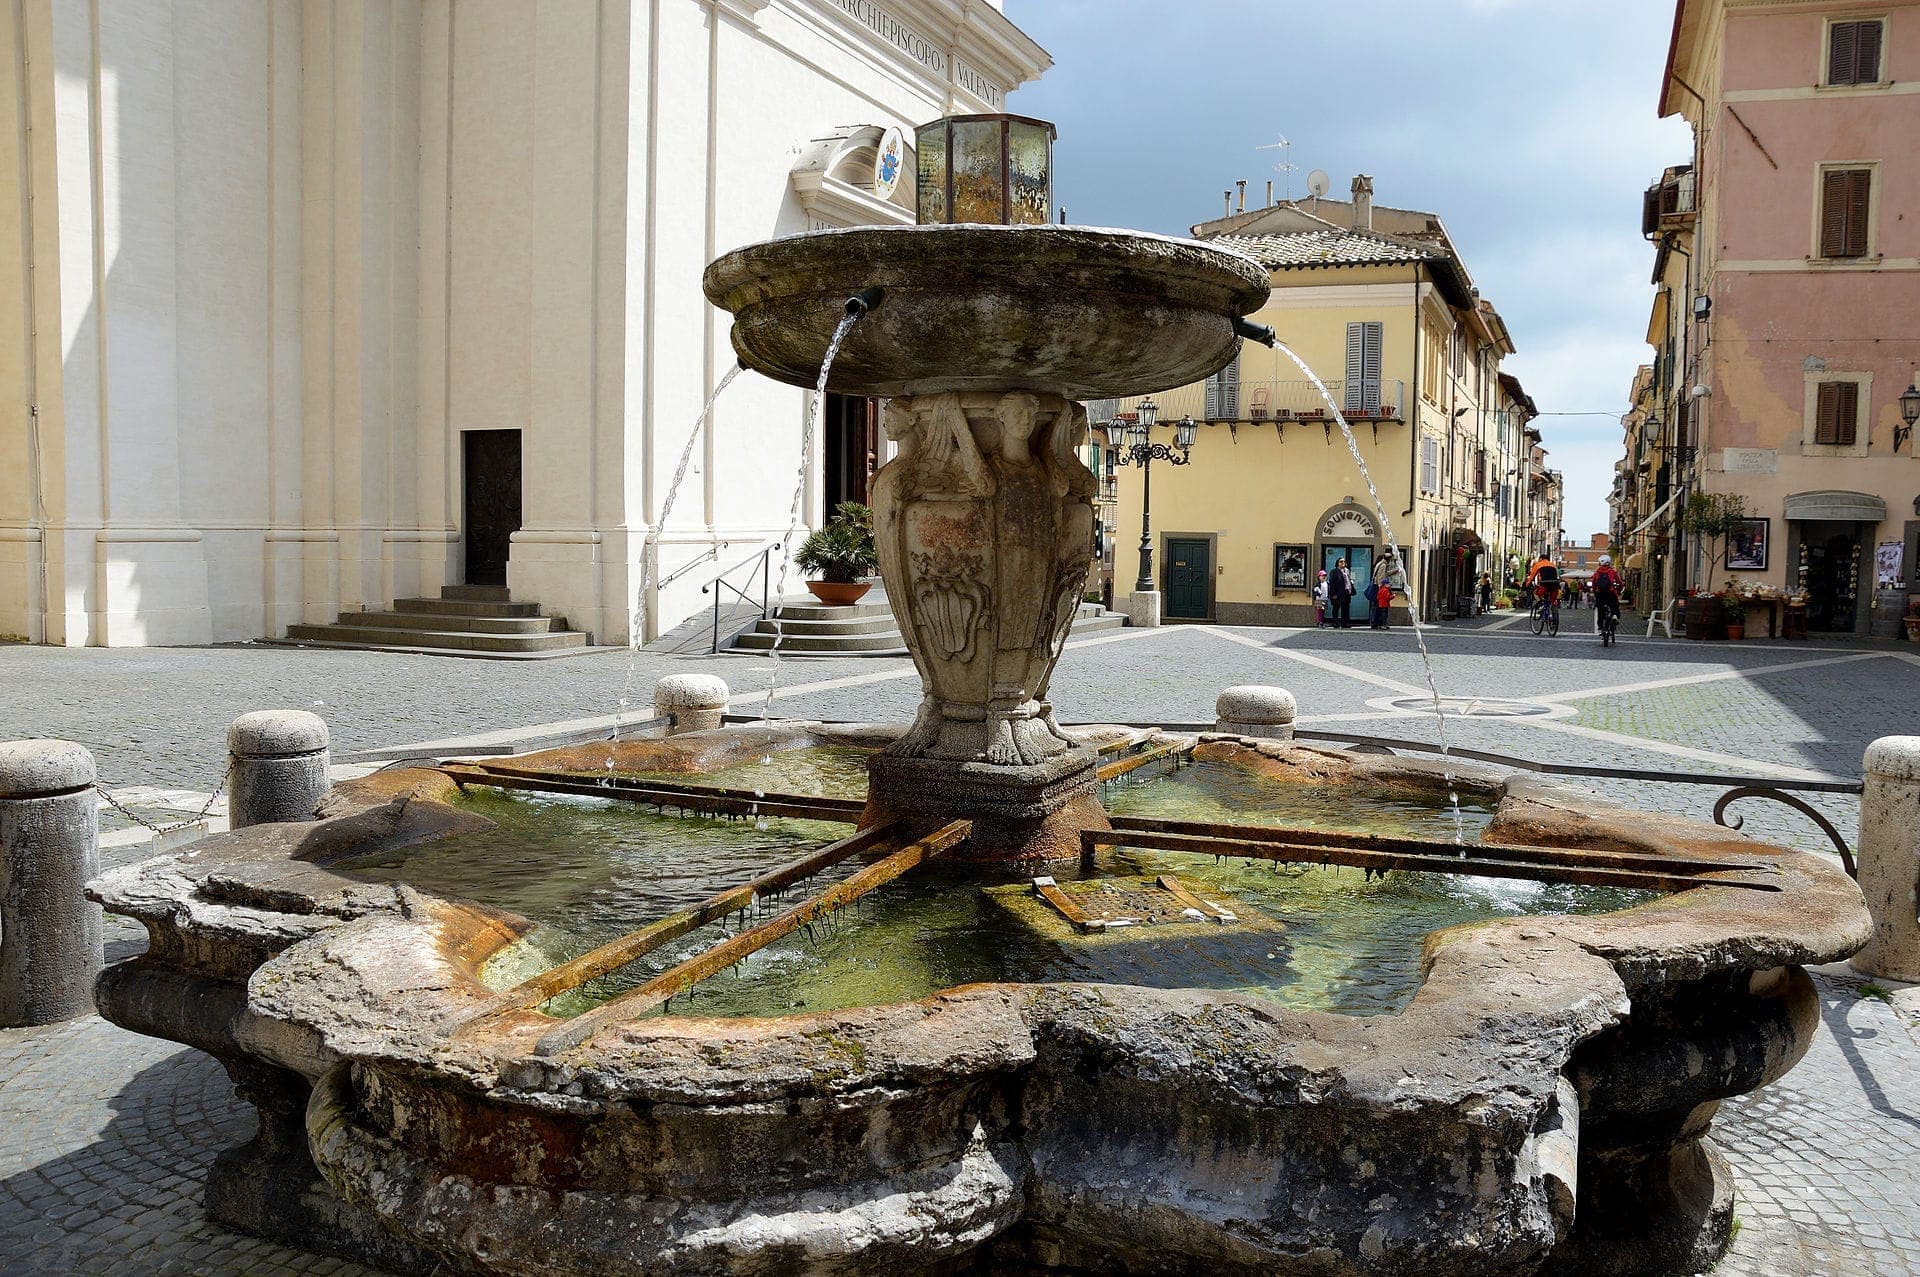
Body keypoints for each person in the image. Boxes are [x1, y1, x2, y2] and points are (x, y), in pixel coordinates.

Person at [1525, 551, 1562, 630]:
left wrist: (1527, 584)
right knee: (1553, 601)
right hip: (1555, 585)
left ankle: (1541, 604)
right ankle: (1554, 621)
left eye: (1539, 559)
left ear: (1541, 558)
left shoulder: (1539, 564)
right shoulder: (1553, 565)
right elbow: (1558, 576)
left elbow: (1532, 576)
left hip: (1545, 584)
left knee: (1536, 593)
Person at [1591, 554, 1622, 633]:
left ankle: (1601, 626)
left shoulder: (1596, 573)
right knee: (1615, 604)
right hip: (1610, 593)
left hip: (1600, 594)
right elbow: (1620, 582)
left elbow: (1593, 584)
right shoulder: (1612, 571)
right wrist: (1619, 590)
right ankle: (1615, 616)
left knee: (1600, 610)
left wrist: (1595, 591)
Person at [1328, 559, 1353, 629]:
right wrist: (1333, 594)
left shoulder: (1347, 571)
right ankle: (1335, 623)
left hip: (1346, 592)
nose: (1343, 563)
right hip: (1337, 593)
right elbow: (1332, 583)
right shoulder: (1334, 571)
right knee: (1336, 608)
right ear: (1337, 563)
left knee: (1345, 608)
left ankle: (1344, 623)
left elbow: (1349, 580)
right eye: (1341, 561)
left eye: (1344, 561)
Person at [1370, 557, 1393, 630]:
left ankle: (1375, 623)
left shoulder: (1379, 564)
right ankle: (1377, 623)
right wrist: (1382, 588)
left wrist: (1394, 571)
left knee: (1376, 606)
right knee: (1379, 607)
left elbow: (1385, 574)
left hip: (1377, 587)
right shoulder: (1383, 565)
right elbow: (1381, 577)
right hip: (1379, 588)